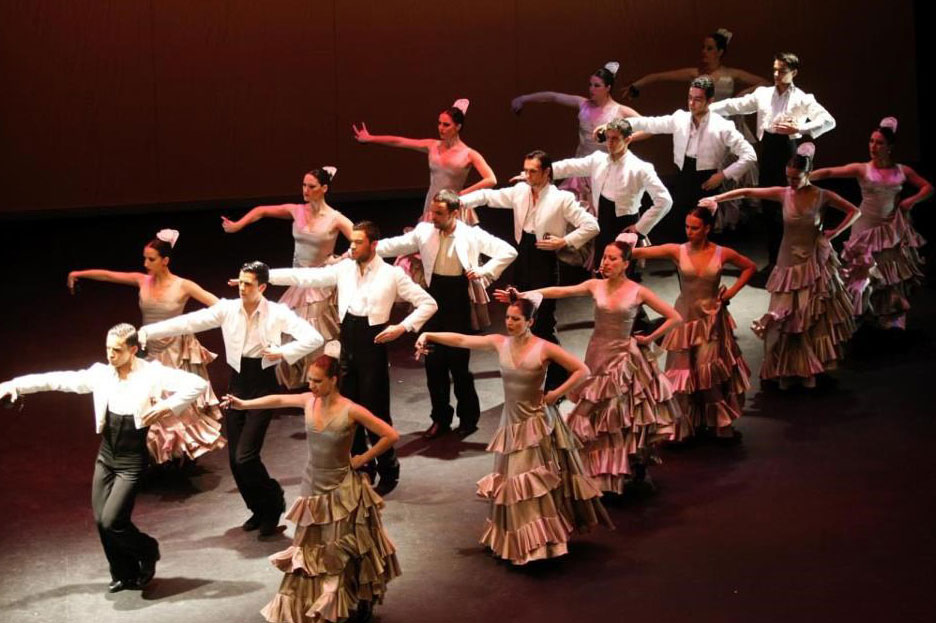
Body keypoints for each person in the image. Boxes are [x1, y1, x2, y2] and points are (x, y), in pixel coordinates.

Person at [0, 324, 206, 592]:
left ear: (133, 350)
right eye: (108, 348)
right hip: (106, 455)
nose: (110, 355)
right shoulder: (102, 375)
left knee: (113, 521)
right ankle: (125, 573)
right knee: (101, 521)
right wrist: (15, 385)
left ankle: (148, 549)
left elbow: (197, 383)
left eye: (117, 350)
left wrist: (168, 405)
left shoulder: (151, 374)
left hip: (131, 460)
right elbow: (57, 379)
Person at [415, 295, 612, 565]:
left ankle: (540, 544)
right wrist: (429, 334)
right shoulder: (500, 343)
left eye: (516, 319)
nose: (509, 323)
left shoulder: (544, 348)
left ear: (530, 322)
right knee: (514, 484)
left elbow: (582, 370)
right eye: (507, 317)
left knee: (530, 484)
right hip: (511, 423)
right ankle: (520, 541)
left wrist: (556, 394)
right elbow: (462, 340)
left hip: (535, 423)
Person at [139, 261, 324, 536]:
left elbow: (314, 337)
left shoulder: (277, 313)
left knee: (246, 456)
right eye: (240, 282)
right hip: (237, 384)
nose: (242, 288)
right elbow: (190, 321)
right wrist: (147, 332)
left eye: (248, 284)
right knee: (235, 462)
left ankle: (272, 503)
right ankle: (258, 510)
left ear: (261, 287)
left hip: (263, 386)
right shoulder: (228, 309)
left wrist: (284, 352)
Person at [222, 354, 401, 623]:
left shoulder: (350, 409)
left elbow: (390, 434)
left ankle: (356, 598)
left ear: (333, 380)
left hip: (341, 489)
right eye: (309, 381)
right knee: (309, 548)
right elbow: (278, 399)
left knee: (339, 550)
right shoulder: (308, 401)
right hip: (312, 485)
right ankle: (316, 601)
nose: (312, 386)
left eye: (317, 381)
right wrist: (244, 403)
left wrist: (363, 459)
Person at [494, 239, 683, 492]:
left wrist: (648, 338)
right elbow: (560, 291)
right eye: (604, 257)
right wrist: (522, 295)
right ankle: (603, 471)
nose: (606, 262)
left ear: (626, 264)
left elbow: (675, 317)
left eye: (613, 258)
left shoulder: (637, 291)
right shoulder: (596, 285)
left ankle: (627, 470)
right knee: (595, 415)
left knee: (621, 416)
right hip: (597, 354)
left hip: (623, 361)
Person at [268, 221, 438, 496]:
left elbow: (428, 303)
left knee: (375, 410)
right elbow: (308, 278)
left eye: (358, 242)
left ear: (373, 245)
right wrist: (269, 275)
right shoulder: (344, 268)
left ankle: (388, 469)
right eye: (352, 242)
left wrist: (402, 327)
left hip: (372, 346)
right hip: (347, 343)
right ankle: (361, 467)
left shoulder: (392, 274)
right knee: (347, 409)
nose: (352, 247)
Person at [700, 144, 859, 389]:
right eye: (788, 178)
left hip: (812, 260)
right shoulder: (784, 193)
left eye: (796, 178)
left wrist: (834, 232)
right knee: (784, 315)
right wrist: (716, 199)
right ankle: (783, 367)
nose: (792, 182)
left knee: (808, 315)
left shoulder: (822, 196)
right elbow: (749, 193)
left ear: (808, 173)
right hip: (787, 260)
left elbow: (854, 211)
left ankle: (809, 367)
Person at [67, 229, 225, 464]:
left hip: (174, 351)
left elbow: (218, 305)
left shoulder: (183, 286)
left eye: (151, 259)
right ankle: (157, 455)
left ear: (165, 261)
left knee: (174, 403)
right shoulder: (142, 281)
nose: (146, 264)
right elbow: (109, 276)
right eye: (145, 258)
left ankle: (180, 452)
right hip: (150, 350)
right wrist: (78, 273)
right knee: (149, 401)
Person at [376, 190, 517, 438]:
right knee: (433, 363)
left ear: (455, 213)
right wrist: (363, 249)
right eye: (432, 212)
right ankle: (440, 419)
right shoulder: (424, 231)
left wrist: (485, 270)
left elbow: (508, 251)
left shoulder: (470, 234)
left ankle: (468, 418)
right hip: (434, 298)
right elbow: (393, 245)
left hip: (458, 299)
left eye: (439, 213)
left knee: (459, 365)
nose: (433, 218)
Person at [460, 150, 599, 392]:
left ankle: (560, 377)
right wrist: (459, 201)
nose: (527, 175)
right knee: (523, 317)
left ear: (547, 173)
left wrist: (564, 241)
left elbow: (591, 225)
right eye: (526, 170)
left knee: (543, 322)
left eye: (533, 171)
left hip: (544, 261)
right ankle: (534, 374)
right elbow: (488, 196)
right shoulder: (520, 191)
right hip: (523, 257)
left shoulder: (561, 198)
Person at [221, 167, 353, 388]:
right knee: (290, 327)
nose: (306, 190)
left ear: (324, 188)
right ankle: (302, 378)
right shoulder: (296, 210)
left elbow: (359, 239)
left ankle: (321, 379)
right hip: (296, 280)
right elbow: (261, 210)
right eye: (304, 185)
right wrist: (237, 225)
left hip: (319, 282)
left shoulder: (335, 218)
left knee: (316, 328)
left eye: (311, 186)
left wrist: (340, 260)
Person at [631, 208, 756, 441]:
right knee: (682, 373)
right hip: (684, 319)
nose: (689, 231)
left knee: (709, 372)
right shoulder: (677, 251)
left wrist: (731, 292)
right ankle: (682, 428)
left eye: (695, 228)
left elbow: (749, 267)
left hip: (710, 320)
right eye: (687, 227)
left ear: (707, 228)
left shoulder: (721, 253)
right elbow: (638, 253)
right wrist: (624, 244)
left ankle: (720, 424)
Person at [709, 52, 837, 269]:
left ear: (794, 73)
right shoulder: (763, 93)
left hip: (788, 151)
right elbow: (736, 105)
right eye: (775, 70)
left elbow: (828, 120)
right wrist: (708, 108)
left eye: (782, 71)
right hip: (768, 149)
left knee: (790, 206)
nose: (777, 74)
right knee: (769, 206)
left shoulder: (803, 98)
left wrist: (800, 128)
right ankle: (773, 261)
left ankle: (795, 259)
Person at [811, 117, 933, 329]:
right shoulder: (863, 169)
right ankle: (857, 315)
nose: (873, 147)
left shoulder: (902, 171)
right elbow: (831, 172)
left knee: (888, 275)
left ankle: (890, 318)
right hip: (865, 228)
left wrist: (910, 201)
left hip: (889, 229)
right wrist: (806, 176)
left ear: (889, 147)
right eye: (871, 141)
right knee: (862, 272)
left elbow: (928, 187)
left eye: (879, 143)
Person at [511, 62, 645, 233]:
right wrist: (523, 99)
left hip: (602, 172)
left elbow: (648, 128)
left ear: (608, 87)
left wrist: (624, 139)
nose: (591, 89)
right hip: (580, 170)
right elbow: (553, 96)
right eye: (590, 85)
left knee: (599, 217)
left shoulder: (620, 111)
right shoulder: (583, 104)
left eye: (597, 86)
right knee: (565, 213)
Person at [627, 76, 756, 226]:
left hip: (707, 179)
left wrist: (723, 175)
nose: (691, 103)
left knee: (703, 226)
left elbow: (749, 155)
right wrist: (621, 123)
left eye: (698, 99)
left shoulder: (722, 126)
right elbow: (651, 123)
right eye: (690, 98)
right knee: (679, 223)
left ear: (710, 101)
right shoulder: (680, 118)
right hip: (682, 175)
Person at [352, 99, 496, 224]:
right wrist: (371, 138)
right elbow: (400, 141)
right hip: (432, 204)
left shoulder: (469, 154)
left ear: (457, 127)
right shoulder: (432, 145)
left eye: (446, 125)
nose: (441, 128)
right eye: (439, 123)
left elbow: (491, 179)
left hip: (453, 206)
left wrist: (462, 193)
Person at [549, 118, 672, 257]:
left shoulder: (640, 168)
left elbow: (665, 201)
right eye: (607, 138)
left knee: (623, 269)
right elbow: (569, 166)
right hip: (602, 222)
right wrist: (544, 170)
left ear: (627, 140)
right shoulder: (598, 160)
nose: (610, 143)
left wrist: (640, 228)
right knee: (601, 266)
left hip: (625, 224)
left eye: (615, 138)